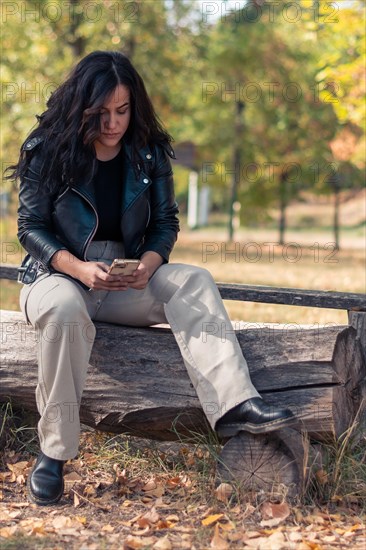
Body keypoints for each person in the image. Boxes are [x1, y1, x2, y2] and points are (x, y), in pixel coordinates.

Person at [11, 51, 295, 506]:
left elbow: (165, 221)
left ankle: (234, 405)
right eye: (101, 113)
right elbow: (29, 228)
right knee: (65, 308)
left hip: (126, 276)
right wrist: (77, 268)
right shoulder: (46, 147)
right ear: (80, 107)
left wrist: (150, 260)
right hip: (55, 275)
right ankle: (53, 455)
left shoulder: (149, 150)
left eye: (122, 111)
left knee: (194, 279)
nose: (113, 123)